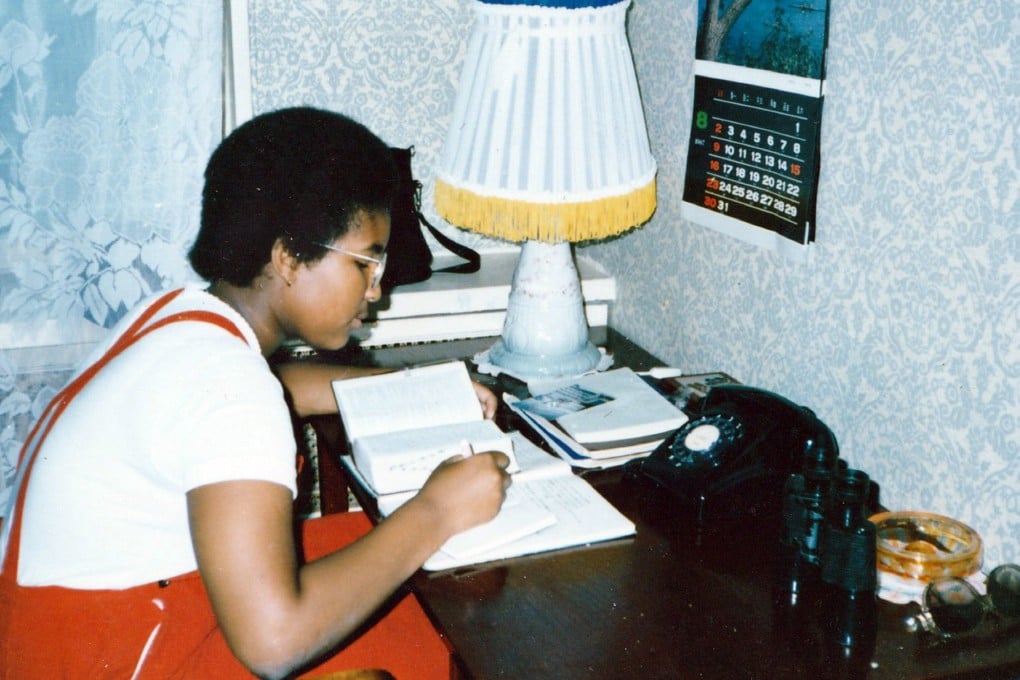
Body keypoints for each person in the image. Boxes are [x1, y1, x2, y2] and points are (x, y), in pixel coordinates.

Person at [0, 107, 511, 679]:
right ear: (288, 256)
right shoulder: (229, 385)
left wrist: (417, 390)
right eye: (367, 262)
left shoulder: (189, 320)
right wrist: (437, 510)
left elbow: (279, 386)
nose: (377, 289)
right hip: (126, 655)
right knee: (448, 640)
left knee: (395, 571)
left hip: (76, 632)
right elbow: (274, 643)